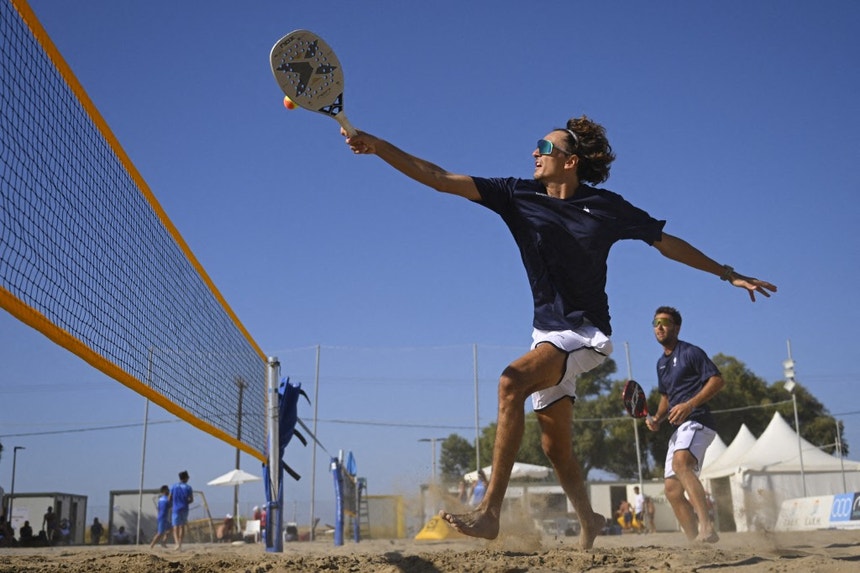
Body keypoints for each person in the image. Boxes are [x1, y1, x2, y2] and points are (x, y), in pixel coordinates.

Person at [343, 116, 776, 549]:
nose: (534, 152)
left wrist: (726, 273)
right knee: (556, 448)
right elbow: (439, 178)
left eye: (544, 148)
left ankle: (490, 512)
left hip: (585, 336)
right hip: (546, 336)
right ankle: (590, 519)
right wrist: (378, 145)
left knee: (510, 382)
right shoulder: (517, 193)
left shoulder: (606, 207)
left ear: (570, 162)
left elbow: (665, 242)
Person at [646, 306, 723, 543]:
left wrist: (689, 405)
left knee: (681, 465)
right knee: (672, 490)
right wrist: (657, 418)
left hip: (698, 420)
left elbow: (717, 380)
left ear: (676, 328)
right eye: (655, 322)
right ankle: (695, 543)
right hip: (678, 428)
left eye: (664, 322)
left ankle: (707, 527)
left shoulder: (691, 352)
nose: (659, 327)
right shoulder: (661, 363)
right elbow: (666, 398)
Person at [169, 470, 194, 550]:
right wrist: (185, 502)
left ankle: (176, 543)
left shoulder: (173, 486)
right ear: (186, 478)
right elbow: (191, 500)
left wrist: (175, 502)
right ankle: (180, 543)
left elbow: (169, 498)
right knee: (182, 526)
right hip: (184, 508)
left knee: (175, 527)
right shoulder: (188, 487)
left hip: (176, 508)